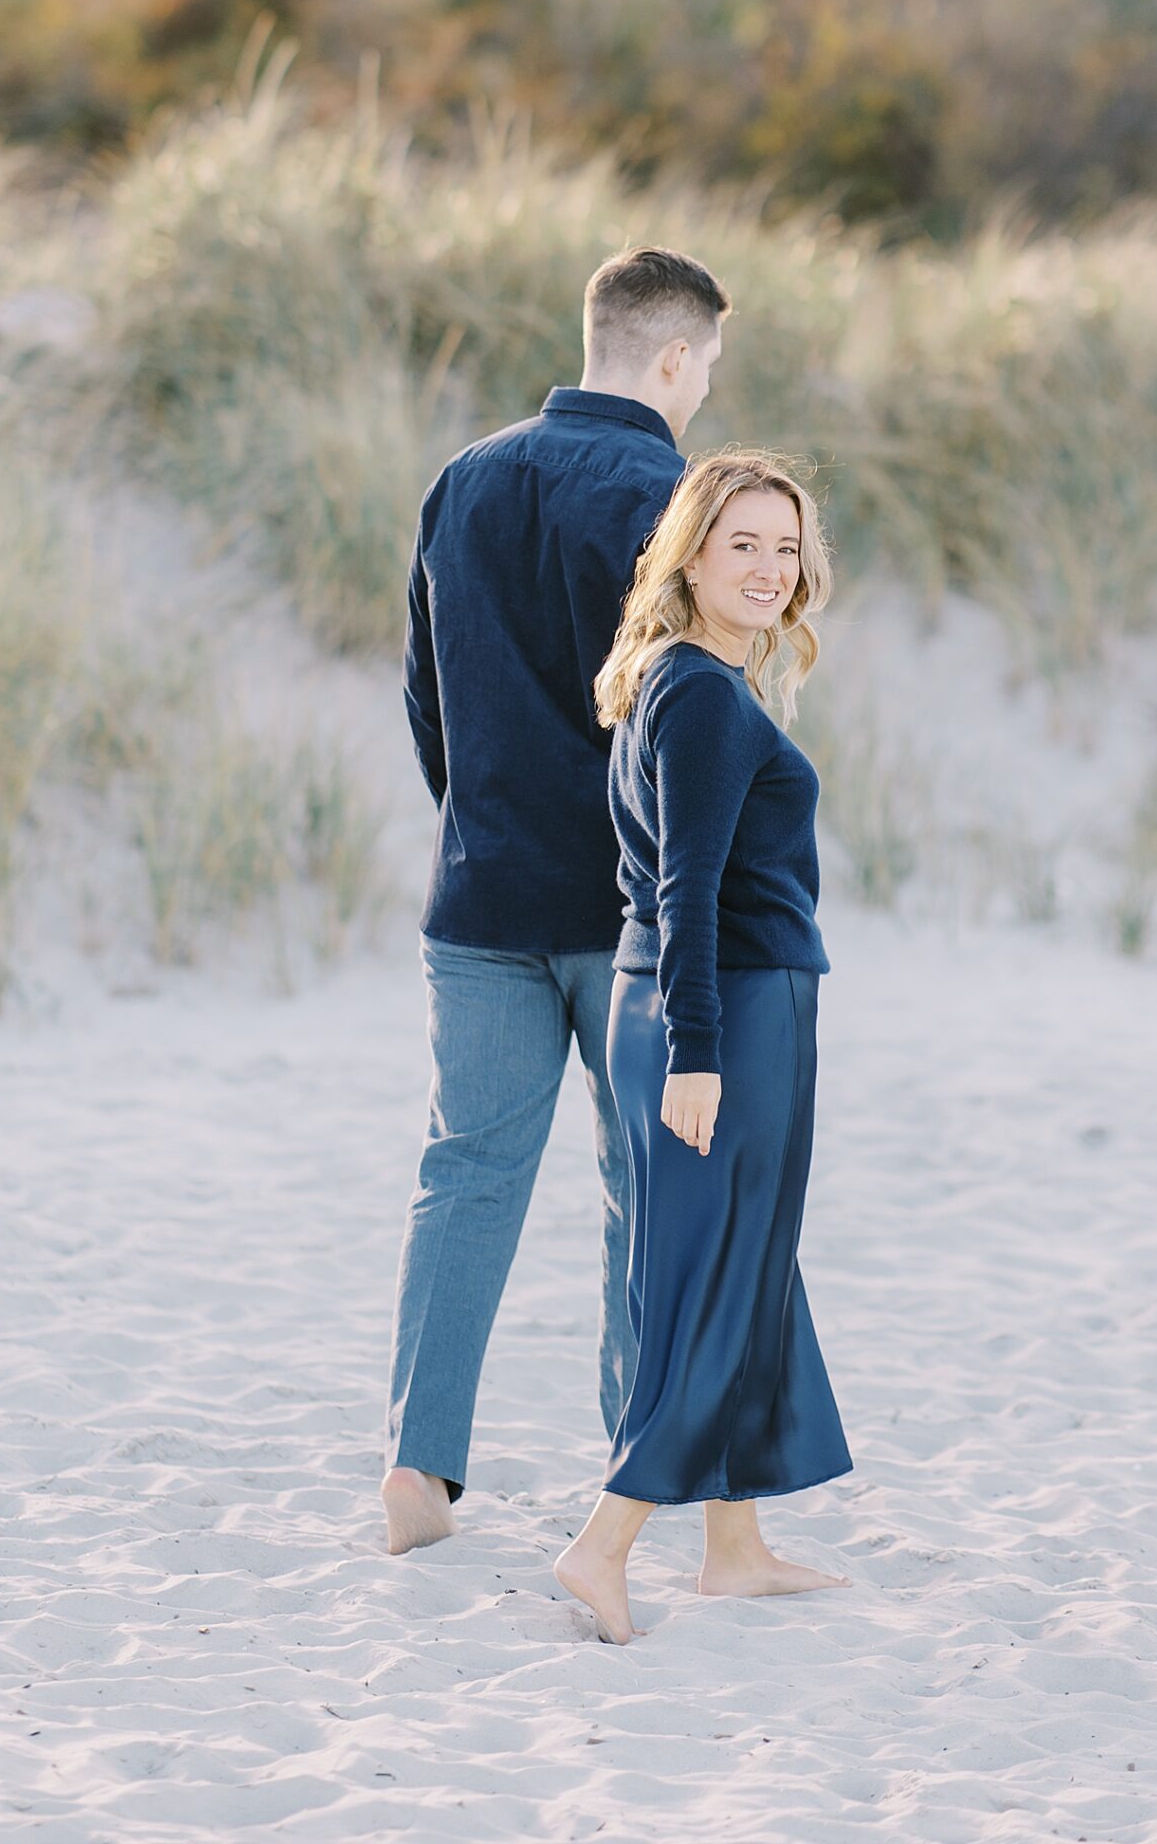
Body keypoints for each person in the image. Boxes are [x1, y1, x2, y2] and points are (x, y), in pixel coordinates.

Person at [383, 247, 731, 1556]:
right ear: (671, 358)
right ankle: (635, 1471)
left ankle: (418, 1471)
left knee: (462, 1172)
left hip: (478, 895)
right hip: (628, 906)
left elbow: (425, 697)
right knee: (650, 1177)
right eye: (703, 371)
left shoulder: (460, 481)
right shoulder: (676, 497)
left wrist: (480, 823)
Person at [554, 452, 852, 1643]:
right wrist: (699, 1050)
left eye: (787, 548)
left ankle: (735, 1546)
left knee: (740, 1264)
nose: (772, 570)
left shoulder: (676, 682)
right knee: (719, 1279)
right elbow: (688, 889)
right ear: (689, 553)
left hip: (679, 1006)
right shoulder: (706, 698)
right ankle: (602, 1543)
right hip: (725, 1013)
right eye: (744, 545)